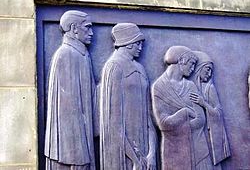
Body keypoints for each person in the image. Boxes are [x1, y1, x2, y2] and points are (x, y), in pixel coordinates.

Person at [100, 23, 157, 170]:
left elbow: (149, 116)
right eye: (138, 43)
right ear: (127, 42)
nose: (140, 47)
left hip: (144, 145)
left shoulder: (140, 69)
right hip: (121, 152)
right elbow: (113, 122)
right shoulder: (113, 67)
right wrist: (134, 159)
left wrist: (152, 153)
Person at [44, 10, 96, 170]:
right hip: (71, 151)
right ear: (74, 28)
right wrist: (80, 155)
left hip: (82, 142)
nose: (91, 33)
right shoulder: (65, 55)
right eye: (87, 28)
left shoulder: (81, 55)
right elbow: (67, 111)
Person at [152, 46, 214, 170]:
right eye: (191, 64)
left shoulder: (190, 86)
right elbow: (163, 124)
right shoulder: (159, 87)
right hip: (174, 150)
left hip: (198, 149)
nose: (193, 68)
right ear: (181, 61)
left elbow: (200, 120)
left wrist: (181, 125)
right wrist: (186, 112)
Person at [189, 51, 231, 169]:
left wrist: (204, 104)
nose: (209, 73)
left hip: (208, 136)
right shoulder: (189, 86)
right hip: (194, 136)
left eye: (211, 70)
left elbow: (218, 112)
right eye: (207, 69)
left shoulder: (209, 88)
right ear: (199, 68)